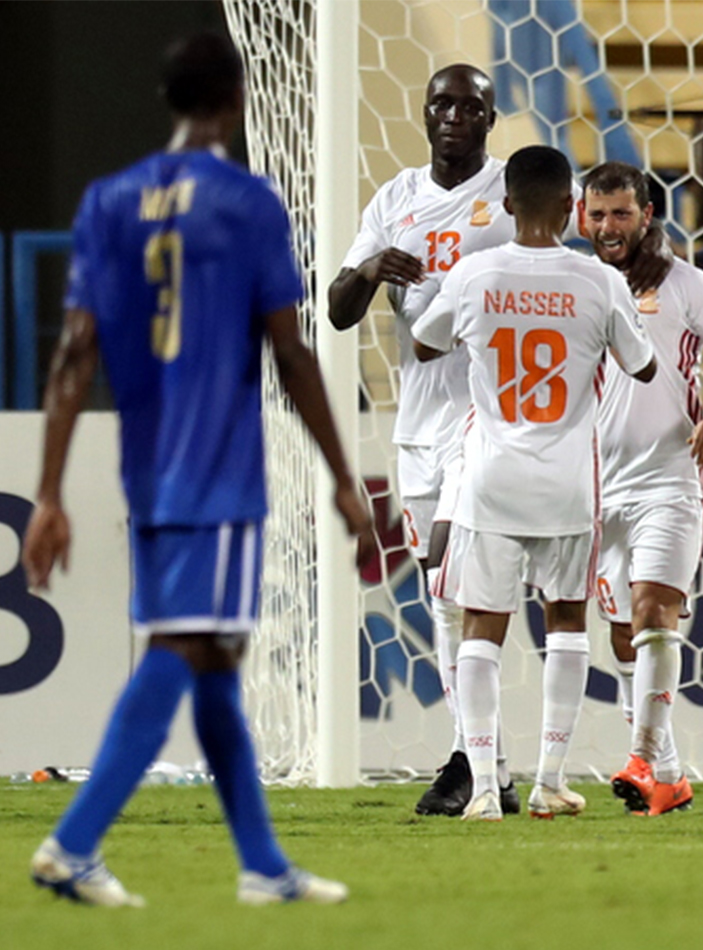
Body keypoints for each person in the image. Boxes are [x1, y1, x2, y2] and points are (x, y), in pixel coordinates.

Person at [23, 31, 371, 906]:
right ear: (237, 100)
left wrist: (51, 492)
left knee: (217, 655)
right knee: (188, 645)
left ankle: (262, 866)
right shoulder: (248, 202)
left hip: (148, 468)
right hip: (218, 466)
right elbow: (290, 352)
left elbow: (72, 353)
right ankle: (73, 840)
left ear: (170, 100)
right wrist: (340, 470)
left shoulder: (108, 201)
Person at [326, 63, 666, 817]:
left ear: (488, 118)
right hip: (425, 426)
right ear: (423, 113)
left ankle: (478, 770)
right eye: (439, 102)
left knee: (469, 597)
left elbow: (430, 336)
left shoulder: (509, 194)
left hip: (483, 434)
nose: (452, 115)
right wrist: (374, 266)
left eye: (468, 105)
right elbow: (338, 309)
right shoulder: (396, 201)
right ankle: (493, 766)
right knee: (452, 602)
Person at [412, 145, 658, 822]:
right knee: (567, 622)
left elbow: (426, 343)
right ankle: (550, 780)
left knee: (481, 628)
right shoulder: (597, 280)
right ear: (572, 209)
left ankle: (488, 789)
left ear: (510, 204)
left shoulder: (472, 273)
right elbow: (642, 367)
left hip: (491, 479)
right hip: (568, 482)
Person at [578, 161, 703, 815]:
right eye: (597, 214)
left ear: (647, 215)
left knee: (656, 611)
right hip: (595, 486)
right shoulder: (580, 286)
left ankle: (639, 758)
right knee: (624, 636)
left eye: (621, 213)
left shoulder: (687, 285)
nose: (608, 227)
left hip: (671, 478)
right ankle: (671, 775)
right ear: (580, 217)